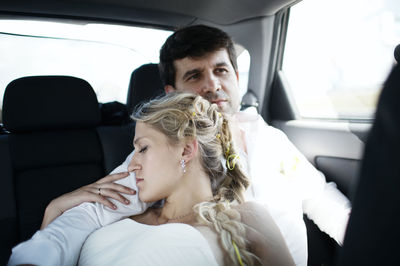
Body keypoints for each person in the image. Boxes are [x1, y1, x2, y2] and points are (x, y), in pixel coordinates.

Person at [8, 25, 351, 266]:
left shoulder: (272, 139)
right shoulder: (156, 153)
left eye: (221, 70)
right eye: (195, 75)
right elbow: (90, 213)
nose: (213, 85)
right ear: (173, 93)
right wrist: (37, 256)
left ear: (235, 77)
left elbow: (321, 198)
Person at [79, 92, 295, 265]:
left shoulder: (248, 218)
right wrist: (56, 209)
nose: (133, 164)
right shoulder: (118, 213)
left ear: (185, 151)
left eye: (143, 148)